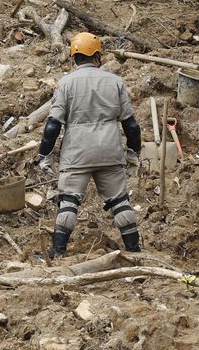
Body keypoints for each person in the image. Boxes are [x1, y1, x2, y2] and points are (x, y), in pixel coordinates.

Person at [37, 32, 143, 257]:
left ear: (74, 57)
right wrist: (134, 153)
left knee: (68, 201)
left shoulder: (66, 83)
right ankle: (134, 250)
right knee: (120, 201)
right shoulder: (115, 82)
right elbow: (131, 125)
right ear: (97, 56)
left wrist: (44, 155)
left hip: (77, 153)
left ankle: (58, 252)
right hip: (109, 150)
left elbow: (53, 125)